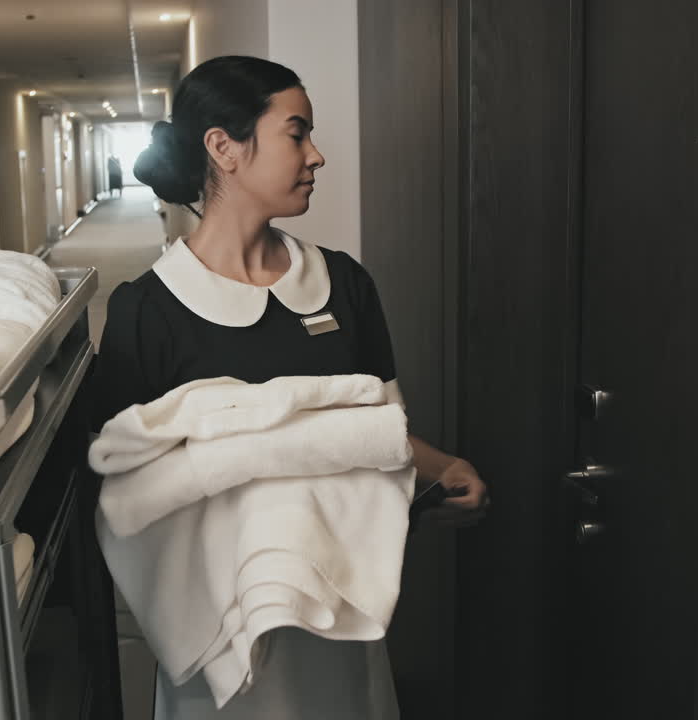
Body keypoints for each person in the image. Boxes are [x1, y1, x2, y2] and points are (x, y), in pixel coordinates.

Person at [91, 55, 489, 719]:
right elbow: (128, 494)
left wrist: (441, 468)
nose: (316, 155)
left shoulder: (344, 284)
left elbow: (375, 436)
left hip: (341, 616)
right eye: (296, 133)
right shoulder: (147, 311)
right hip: (222, 638)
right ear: (225, 148)